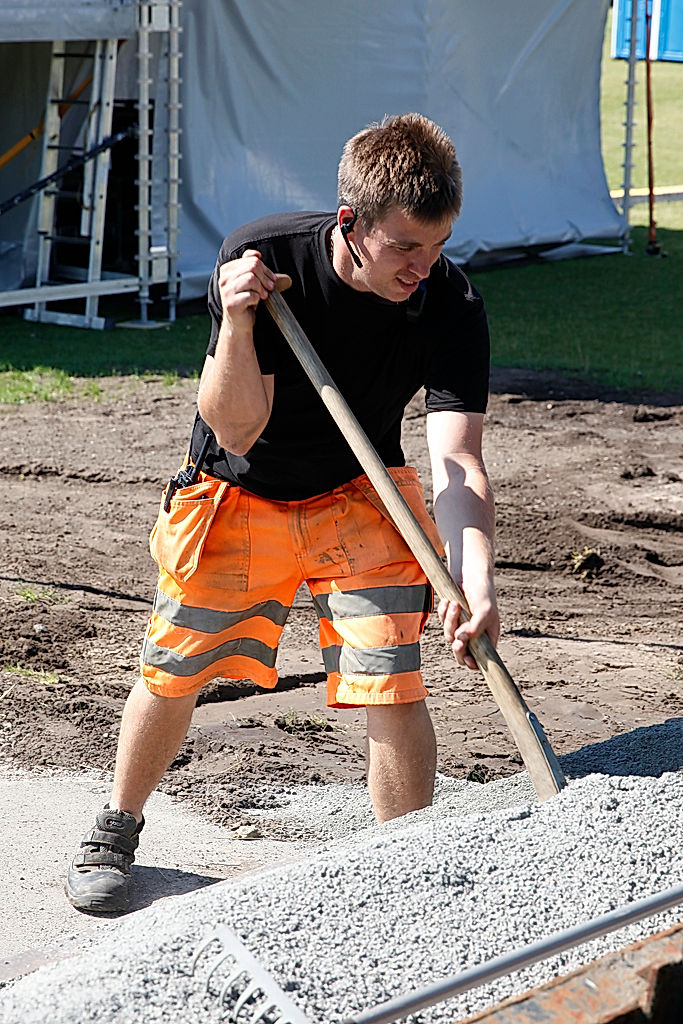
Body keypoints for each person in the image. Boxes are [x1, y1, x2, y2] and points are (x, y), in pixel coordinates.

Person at [65, 113, 499, 914]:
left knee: (390, 680)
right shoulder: (263, 261)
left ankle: (407, 866)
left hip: (357, 495)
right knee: (175, 669)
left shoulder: (448, 302)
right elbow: (236, 427)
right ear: (351, 224)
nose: (422, 266)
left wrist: (474, 578)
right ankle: (114, 827)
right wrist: (236, 319)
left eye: (436, 245)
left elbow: (457, 460)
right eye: (404, 247)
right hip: (239, 490)